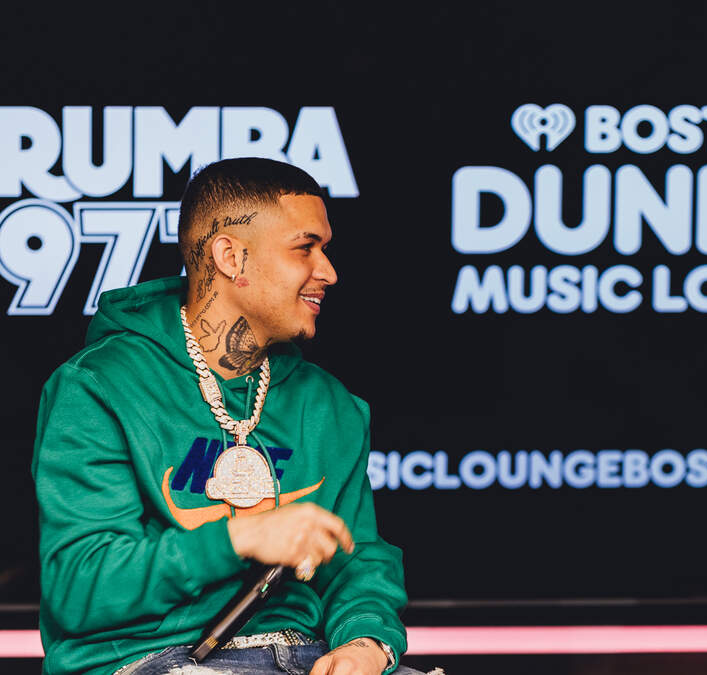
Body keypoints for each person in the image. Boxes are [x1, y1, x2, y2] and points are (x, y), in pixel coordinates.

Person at [34, 158, 426, 674]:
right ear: (231, 257)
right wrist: (241, 537)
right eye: (305, 248)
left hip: (304, 654)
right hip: (153, 659)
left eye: (325, 250)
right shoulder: (99, 386)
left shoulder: (329, 404)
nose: (328, 272)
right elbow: (81, 585)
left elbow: (357, 563)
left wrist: (366, 643)